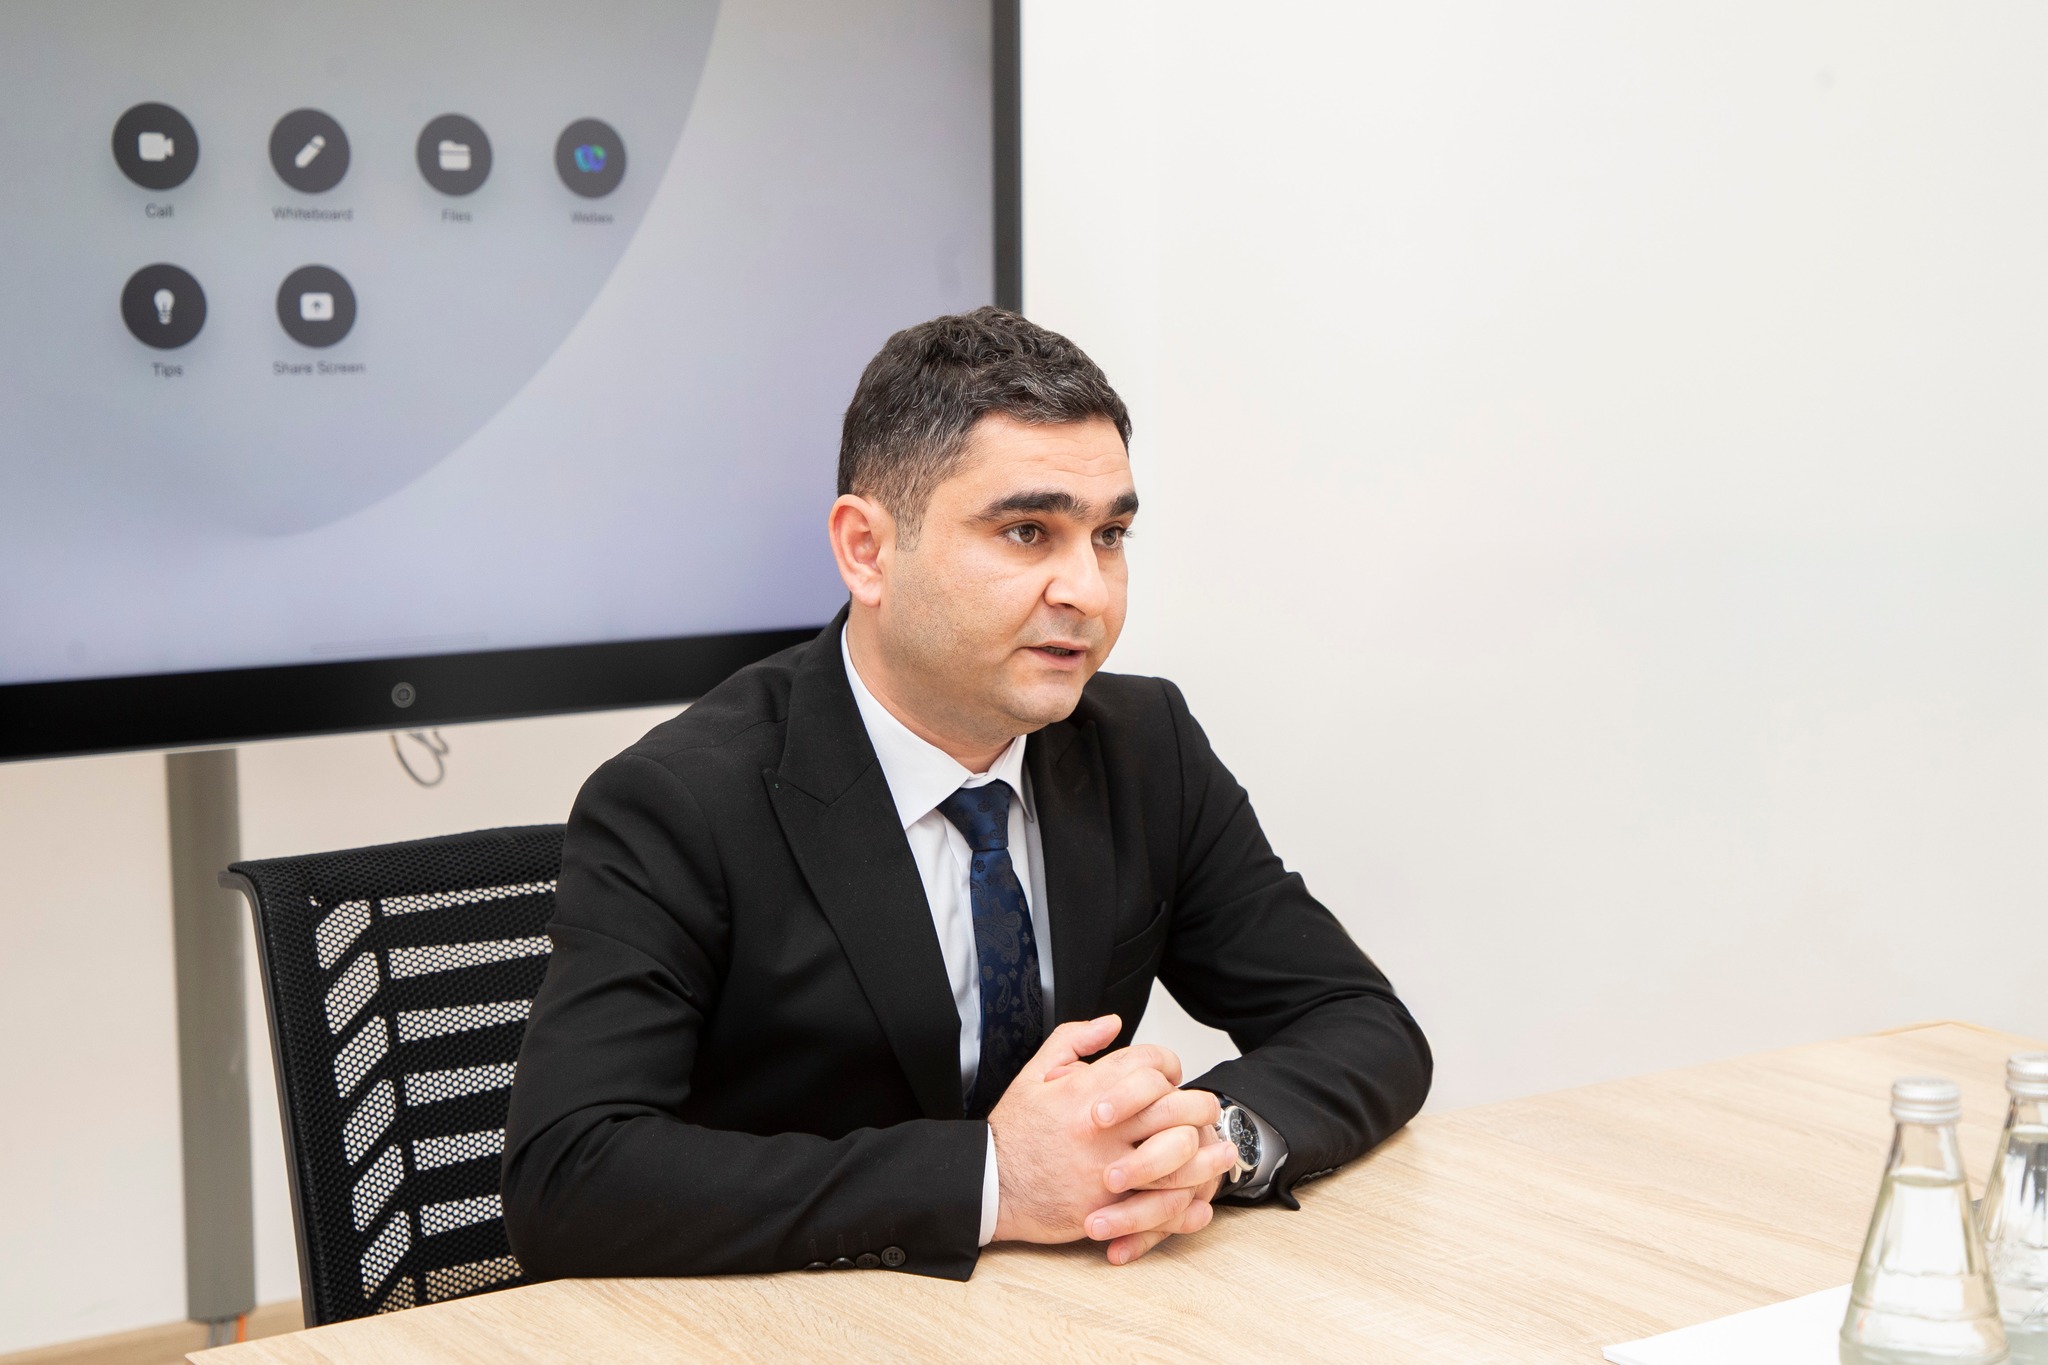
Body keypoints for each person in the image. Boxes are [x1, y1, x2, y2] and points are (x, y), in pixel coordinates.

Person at [501, 307, 1432, 1281]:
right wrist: (992, 1179)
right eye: (1027, 532)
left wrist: (1205, 1143)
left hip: (1072, 1311)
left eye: (1109, 535)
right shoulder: (680, 801)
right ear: (866, 550)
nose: (1088, 591)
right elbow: (569, 1177)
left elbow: (1360, 1022)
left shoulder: (1144, 746)